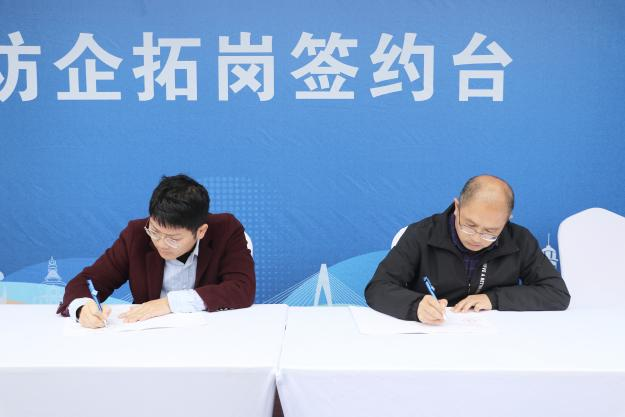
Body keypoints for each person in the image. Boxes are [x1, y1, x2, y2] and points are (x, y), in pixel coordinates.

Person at [364, 175, 570, 325]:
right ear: (457, 207)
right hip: (430, 333)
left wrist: (494, 299)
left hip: (496, 339)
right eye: (469, 226)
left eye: (490, 232)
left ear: (507, 220)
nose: (477, 238)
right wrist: (415, 306)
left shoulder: (520, 240)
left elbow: (557, 293)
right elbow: (378, 288)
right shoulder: (422, 234)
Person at [57, 174, 255, 328]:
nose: (161, 243)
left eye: (173, 238)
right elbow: (86, 282)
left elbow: (241, 288)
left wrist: (169, 304)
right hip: (148, 336)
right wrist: (82, 308)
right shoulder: (136, 234)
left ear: (200, 231)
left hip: (212, 333)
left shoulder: (226, 230)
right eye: (155, 231)